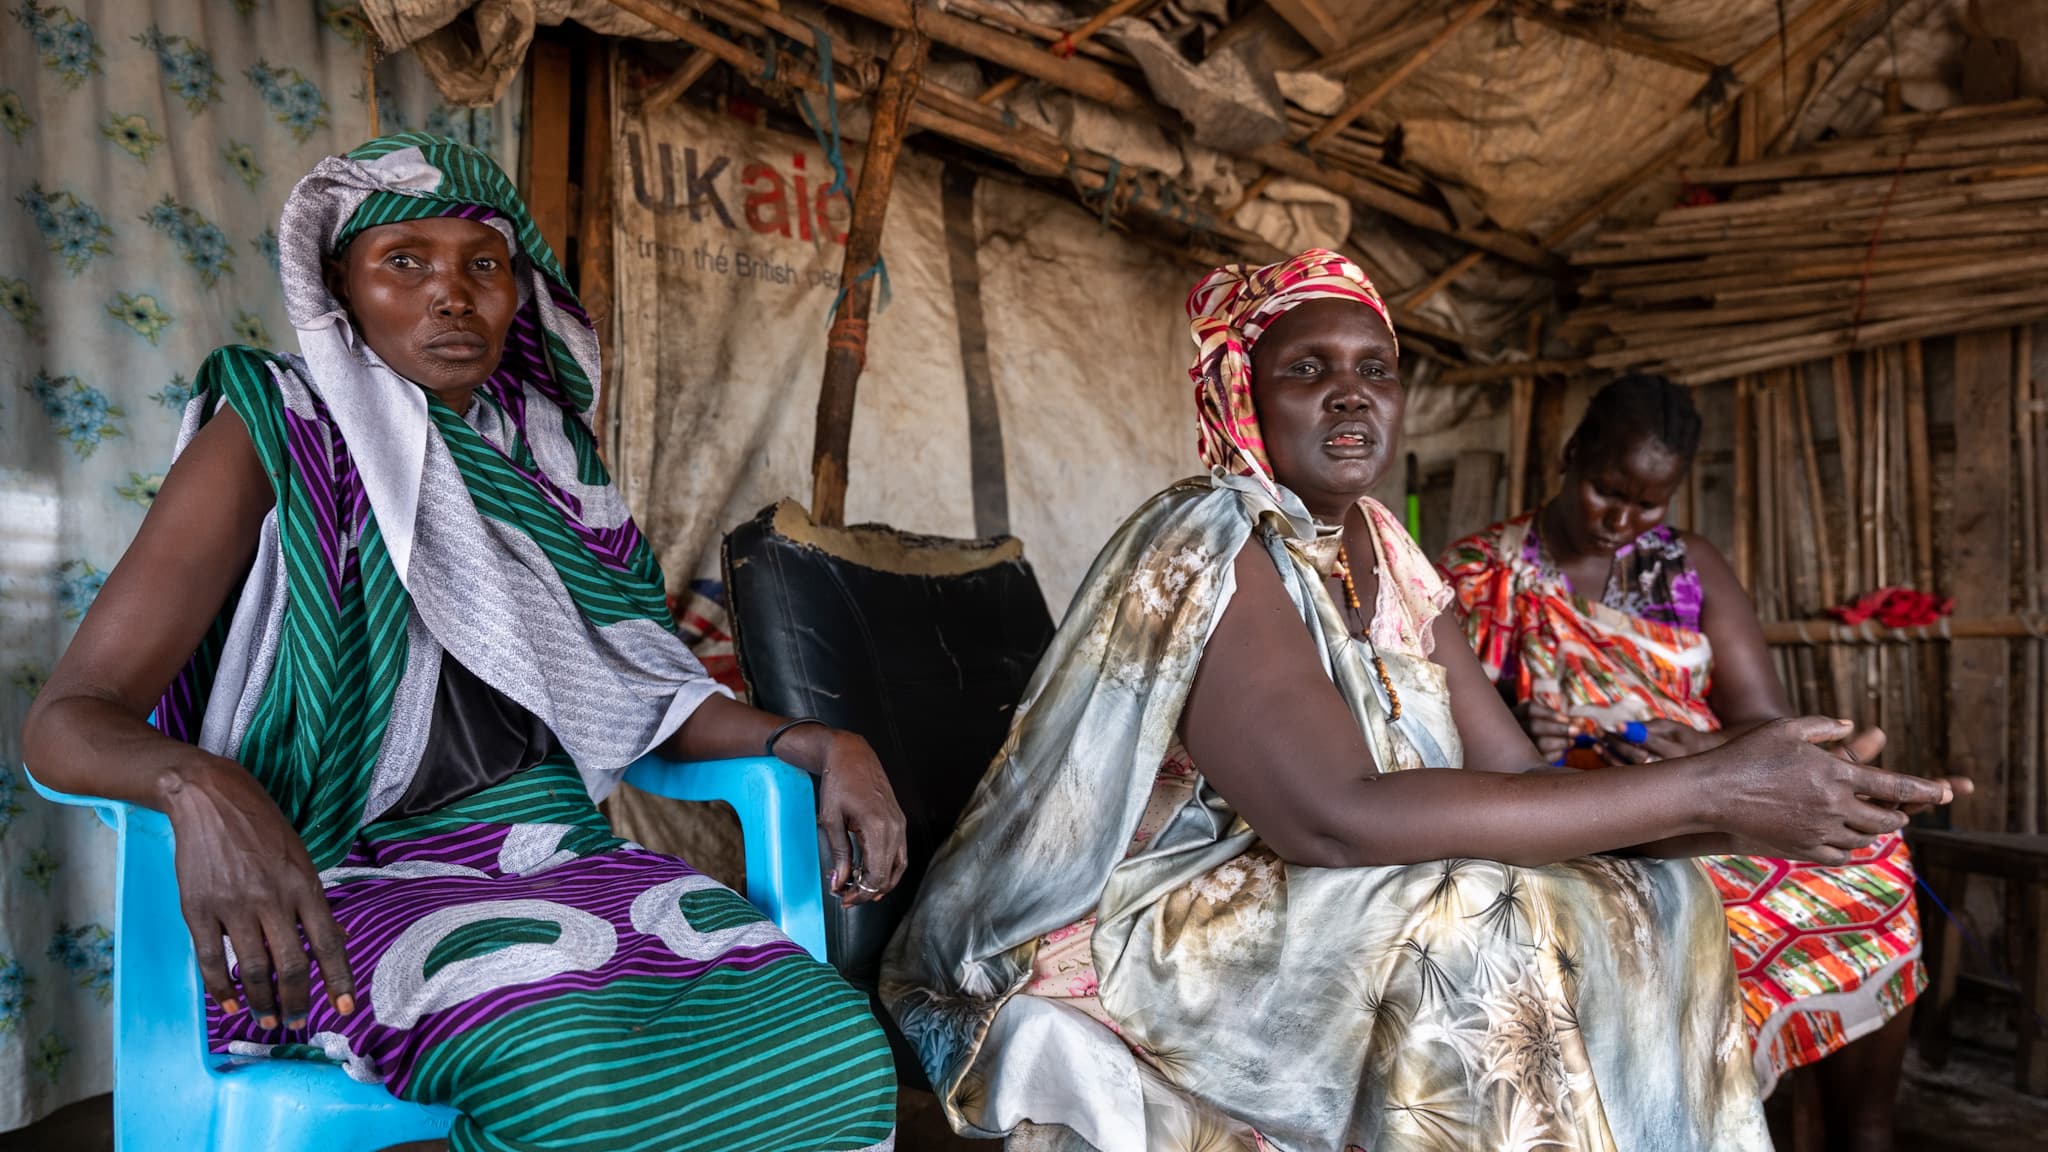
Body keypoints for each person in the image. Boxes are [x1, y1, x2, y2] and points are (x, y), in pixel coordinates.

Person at [881, 250, 1954, 1152]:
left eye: (1375, 370)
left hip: (1303, 872)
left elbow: (1513, 774)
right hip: (1152, 904)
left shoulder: (1388, 555)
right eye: (1307, 369)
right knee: (1480, 922)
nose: (1352, 393)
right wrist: (1710, 780)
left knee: (1663, 896)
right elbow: (1327, 816)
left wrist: (1732, 818)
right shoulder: (1209, 535)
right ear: (1238, 392)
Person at [22, 134, 904, 1152]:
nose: (452, 293)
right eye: (404, 261)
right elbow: (66, 722)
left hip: (552, 852)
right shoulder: (273, 432)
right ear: (338, 288)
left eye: (483, 265)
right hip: (330, 869)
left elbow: (635, 686)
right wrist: (198, 787)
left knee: (831, 1043)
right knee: (569, 1066)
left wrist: (816, 743)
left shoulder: (544, 464)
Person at [1440, 373, 1971, 1152]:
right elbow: (1439, 736)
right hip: (1583, 815)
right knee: (1699, 892)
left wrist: (1702, 748)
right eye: (1604, 491)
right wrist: (1529, 736)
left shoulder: (1687, 568)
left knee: (1871, 858)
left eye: (1649, 503)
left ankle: (1866, 1129)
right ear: (1570, 454)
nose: (1621, 520)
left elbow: (1762, 719)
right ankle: (1714, 1114)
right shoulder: (1479, 574)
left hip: (1716, 790)